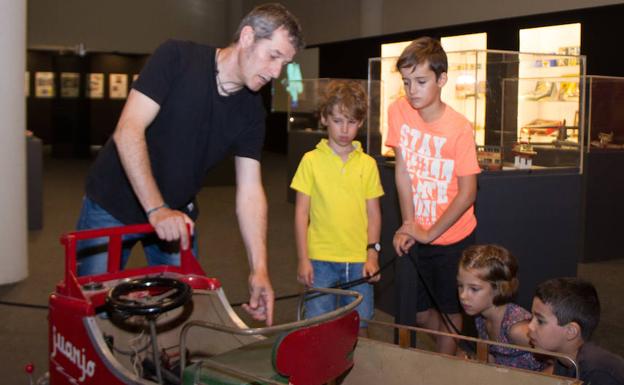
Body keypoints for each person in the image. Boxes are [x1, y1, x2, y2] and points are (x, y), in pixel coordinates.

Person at [75, 3, 304, 326]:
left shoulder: (252, 112)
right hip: (111, 205)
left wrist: (259, 268)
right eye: (274, 56)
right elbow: (128, 131)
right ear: (248, 37)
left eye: (286, 62)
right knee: (91, 312)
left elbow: (251, 191)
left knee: (178, 312)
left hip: (175, 215)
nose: (277, 72)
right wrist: (157, 209)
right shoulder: (177, 57)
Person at [386, 36, 481, 354]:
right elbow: (403, 172)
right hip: (418, 233)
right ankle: (454, 351)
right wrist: (410, 224)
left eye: (421, 81)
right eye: (406, 81)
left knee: (451, 314)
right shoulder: (398, 111)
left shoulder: (460, 128)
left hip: (452, 238)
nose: (412, 90)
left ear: (442, 79)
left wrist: (429, 233)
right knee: (418, 312)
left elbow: (467, 193)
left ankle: (446, 367)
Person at [290, 80, 384, 336]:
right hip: (319, 259)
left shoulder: (367, 165)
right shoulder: (310, 161)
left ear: (361, 122)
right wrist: (303, 258)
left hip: (358, 259)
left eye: (352, 121)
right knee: (318, 327)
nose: (344, 129)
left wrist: (372, 254)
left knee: (359, 326)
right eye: (338, 120)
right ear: (324, 118)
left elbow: (374, 213)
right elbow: (301, 213)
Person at [457, 244, 543, 370]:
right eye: (460, 286)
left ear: (498, 288)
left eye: (474, 289)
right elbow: (491, 358)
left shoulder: (516, 329)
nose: (463, 296)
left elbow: (557, 363)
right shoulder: (481, 317)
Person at [529, 277, 624, 384]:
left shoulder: (598, 372)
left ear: (571, 331)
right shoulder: (564, 359)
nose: (530, 326)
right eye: (531, 318)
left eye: (540, 321)